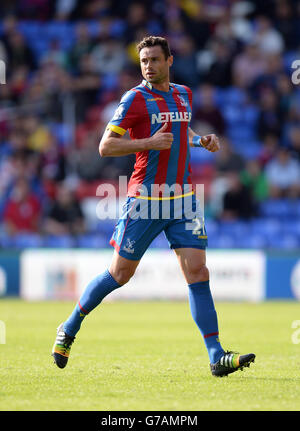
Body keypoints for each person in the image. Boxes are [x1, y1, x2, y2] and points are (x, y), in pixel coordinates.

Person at [52, 36, 255, 377]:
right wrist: (148, 142)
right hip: (146, 200)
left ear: (169, 61)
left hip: (183, 199)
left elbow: (178, 128)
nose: (148, 66)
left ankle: (216, 355)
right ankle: (69, 327)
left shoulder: (183, 94)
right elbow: (105, 146)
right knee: (120, 274)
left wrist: (198, 139)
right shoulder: (134, 99)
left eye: (154, 60)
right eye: (144, 60)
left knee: (198, 272)